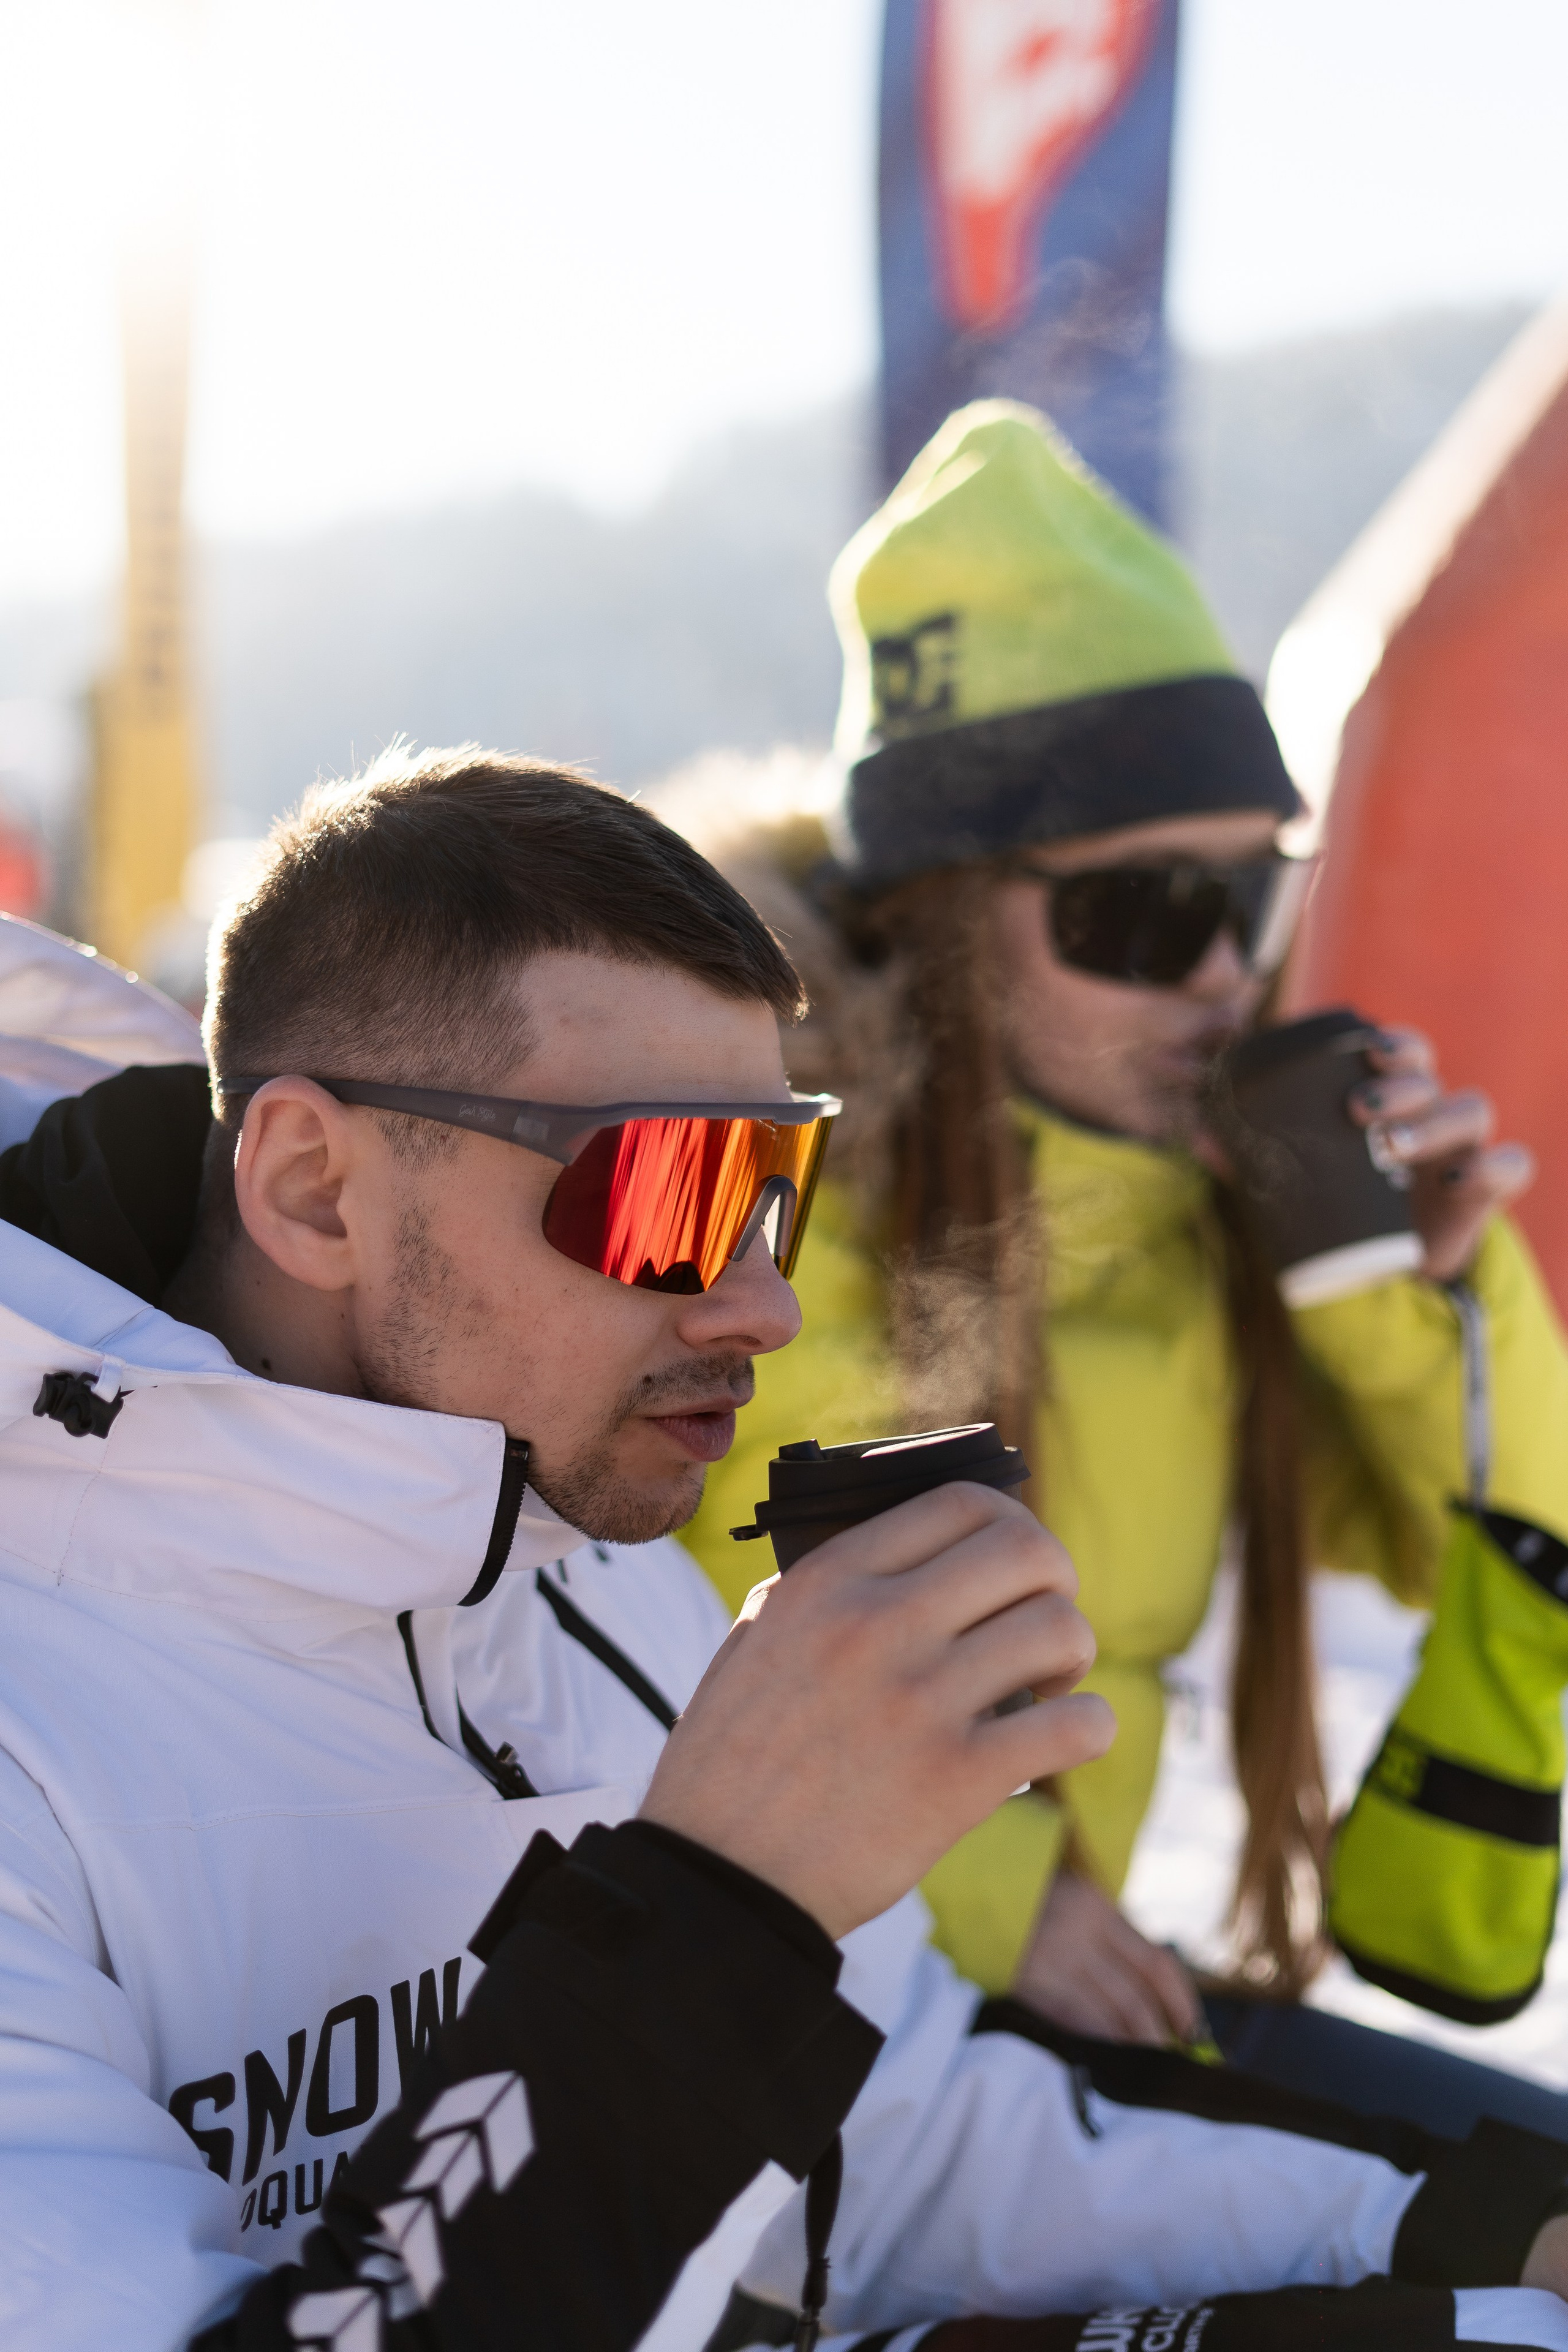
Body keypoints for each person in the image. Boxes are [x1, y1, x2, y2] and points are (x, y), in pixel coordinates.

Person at [5, 746, 1568, 2352]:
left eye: (778, 1185)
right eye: (671, 1192)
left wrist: (1472, 2238)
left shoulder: (575, 1556)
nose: (764, 1303)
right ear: (316, 1190)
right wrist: (719, 1908)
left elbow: (906, 2147)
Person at [682, 402, 1568, 2124]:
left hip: (1038, 2023)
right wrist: (1008, 1895)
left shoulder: (1197, 1215)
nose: (1223, 979)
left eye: (1253, 903)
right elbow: (740, 1607)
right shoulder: (775, 1191)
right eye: (1144, 915)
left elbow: (1488, 1549)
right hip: (813, 2018)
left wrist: (1412, 1297)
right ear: (945, 912)